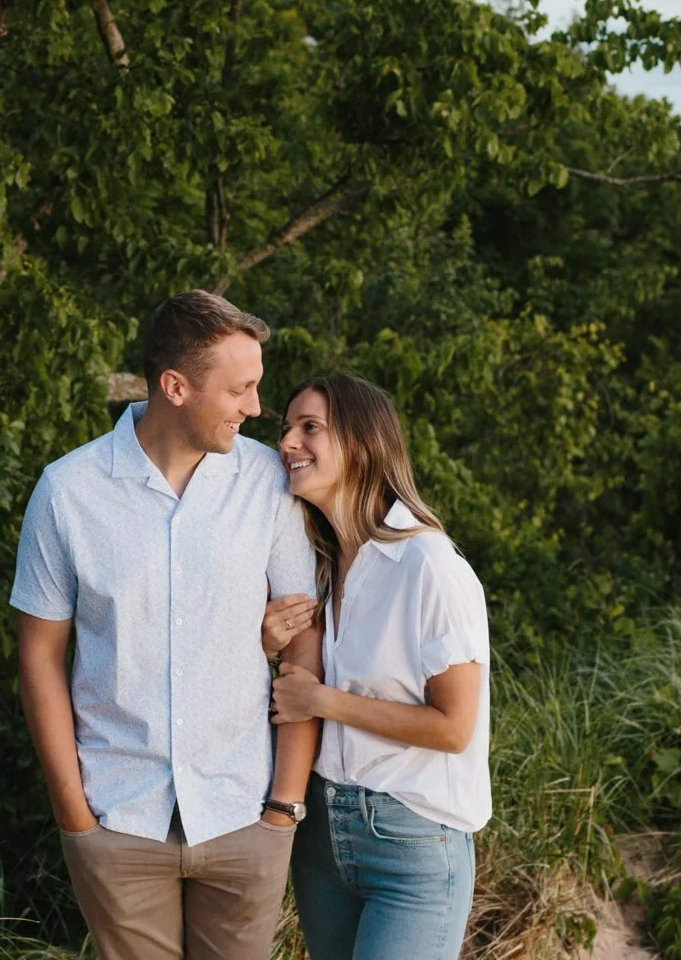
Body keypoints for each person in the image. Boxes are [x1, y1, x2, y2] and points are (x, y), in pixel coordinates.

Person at [11, 290, 325, 960]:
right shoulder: (68, 492)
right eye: (239, 388)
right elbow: (39, 657)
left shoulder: (268, 482)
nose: (255, 406)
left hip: (246, 813)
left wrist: (285, 808)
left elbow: (304, 635)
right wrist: (76, 816)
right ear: (175, 386)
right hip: (118, 817)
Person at [261, 374, 490, 960]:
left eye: (310, 427)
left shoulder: (427, 565)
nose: (288, 441)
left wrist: (323, 701)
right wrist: (265, 647)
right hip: (321, 842)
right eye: (287, 428)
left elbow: (453, 727)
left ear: (363, 443)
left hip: (410, 841)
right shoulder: (318, 567)